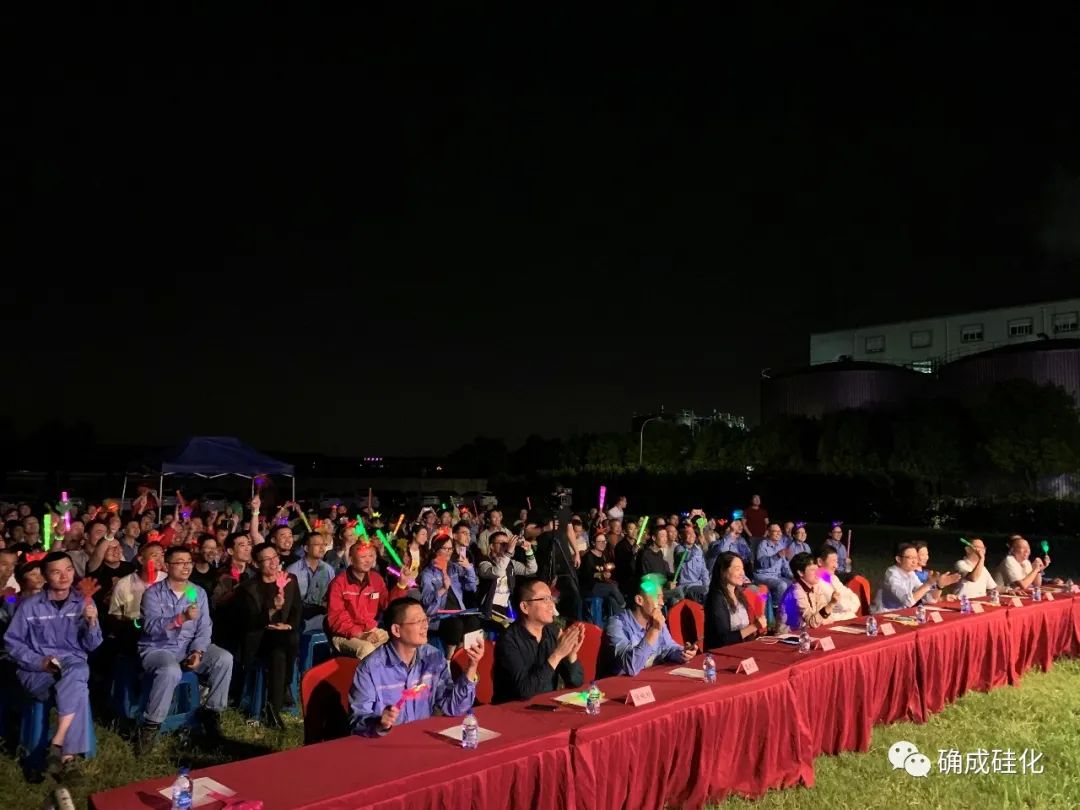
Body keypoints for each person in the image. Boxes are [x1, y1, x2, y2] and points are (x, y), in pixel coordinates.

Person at [3, 552, 101, 781]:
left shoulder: (83, 601)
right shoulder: (28, 606)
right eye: (56, 572)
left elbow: (92, 645)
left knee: (77, 673)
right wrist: (40, 662)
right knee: (78, 688)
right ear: (46, 577)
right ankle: (65, 756)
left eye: (68, 570)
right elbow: (12, 643)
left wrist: (92, 622)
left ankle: (59, 747)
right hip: (36, 669)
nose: (64, 576)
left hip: (72, 664)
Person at [136, 546, 233, 753]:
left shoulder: (195, 592)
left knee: (224, 658)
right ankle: (151, 725)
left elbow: (204, 627)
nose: (186, 566)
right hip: (158, 648)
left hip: (188, 647)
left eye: (189, 562)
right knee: (170, 670)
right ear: (167, 566)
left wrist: (198, 651)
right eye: (180, 562)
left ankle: (211, 712)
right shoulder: (153, 594)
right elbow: (150, 628)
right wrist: (181, 619)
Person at [349, 597, 481, 736]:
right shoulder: (371, 668)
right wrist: (379, 723)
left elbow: (454, 708)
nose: (425, 626)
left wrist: (472, 666)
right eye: (418, 621)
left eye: (426, 620)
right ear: (396, 630)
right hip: (387, 743)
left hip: (422, 739)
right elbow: (356, 721)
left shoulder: (433, 658)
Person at [237, 543, 302, 728]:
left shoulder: (290, 580)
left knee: (284, 645)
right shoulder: (249, 588)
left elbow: (297, 610)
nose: (273, 563)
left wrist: (288, 625)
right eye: (267, 559)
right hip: (259, 637)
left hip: (283, 637)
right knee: (285, 644)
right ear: (257, 564)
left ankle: (273, 709)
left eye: (275, 557)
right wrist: (273, 609)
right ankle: (283, 693)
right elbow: (250, 622)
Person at [492, 580, 585, 703]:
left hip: (547, 706)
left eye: (551, 598)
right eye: (545, 599)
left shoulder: (552, 632)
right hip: (513, 710)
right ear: (525, 607)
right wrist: (557, 655)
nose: (552, 605)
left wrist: (571, 655)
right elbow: (524, 691)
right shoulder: (508, 641)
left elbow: (576, 682)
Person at [604, 578, 696, 676]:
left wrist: (683, 653)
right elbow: (631, 667)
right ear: (639, 600)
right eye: (657, 597)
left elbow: (668, 648)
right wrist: (654, 630)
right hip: (625, 682)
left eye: (662, 598)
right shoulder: (617, 624)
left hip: (653, 678)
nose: (662, 603)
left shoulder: (656, 621)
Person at [420, 533, 480, 661]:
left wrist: (468, 568)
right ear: (435, 550)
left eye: (450, 548)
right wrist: (442, 589)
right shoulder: (428, 573)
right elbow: (426, 601)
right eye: (445, 548)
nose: (449, 552)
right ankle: (449, 659)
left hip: (459, 612)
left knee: (474, 621)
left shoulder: (454, 568)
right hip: (439, 616)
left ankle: (460, 657)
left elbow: (472, 587)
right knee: (456, 625)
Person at [327, 542, 390, 660]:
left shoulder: (376, 579)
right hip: (345, 635)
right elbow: (337, 618)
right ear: (351, 559)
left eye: (371, 556)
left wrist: (401, 586)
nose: (368, 560)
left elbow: (388, 604)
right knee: (367, 649)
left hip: (370, 630)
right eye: (363, 556)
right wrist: (360, 635)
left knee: (398, 641)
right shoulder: (339, 583)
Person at [107, 542, 166, 651]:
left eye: (162, 555)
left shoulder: (167, 580)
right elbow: (116, 614)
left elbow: (191, 593)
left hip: (163, 635)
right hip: (132, 635)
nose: (160, 559)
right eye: (154, 555)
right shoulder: (124, 584)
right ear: (141, 560)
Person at [872, 542, 961, 613]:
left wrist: (939, 586)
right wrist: (928, 584)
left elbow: (929, 599)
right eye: (911, 558)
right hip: (882, 615)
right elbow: (908, 601)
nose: (915, 562)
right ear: (898, 559)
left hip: (900, 614)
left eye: (916, 558)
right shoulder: (891, 574)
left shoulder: (910, 573)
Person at [704, 552, 768, 648]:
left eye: (742, 569)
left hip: (743, 647)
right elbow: (723, 640)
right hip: (723, 652)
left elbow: (761, 593)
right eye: (737, 569)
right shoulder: (716, 598)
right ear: (723, 571)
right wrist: (754, 627)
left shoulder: (739, 595)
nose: (742, 573)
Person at [477, 531, 537, 622]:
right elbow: (498, 572)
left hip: (505, 608)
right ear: (492, 546)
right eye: (502, 543)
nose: (505, 546)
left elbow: (531, 569)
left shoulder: (510, 564)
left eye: (507, 543)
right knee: (510, 626)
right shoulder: (484, 563)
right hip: (487, 608)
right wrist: (508, 553)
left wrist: (529, 551)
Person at [778, 553, 840, 632]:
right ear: (801, 573)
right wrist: (831, 604)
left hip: (807, 633)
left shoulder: (815, 586)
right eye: (813, 570)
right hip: (789, 635)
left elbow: (828, 618)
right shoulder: (796, 592)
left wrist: (821, 616)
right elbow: (812, 623)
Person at [286, 531, 334, 632]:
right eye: (317, 544)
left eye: (324, 544)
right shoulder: (292, 570)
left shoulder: (328, 569)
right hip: (299, 613)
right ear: (306, 548)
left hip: (322, 611)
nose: (322, 548)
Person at [578, 533, 625, 615]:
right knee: (612, 588)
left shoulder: (604, 556)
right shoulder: (588, 557)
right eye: (600, 541)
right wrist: (601, 575)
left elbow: (606, 570)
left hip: (601, 585)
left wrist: (607, 574)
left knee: (613, 598)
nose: (603, 544)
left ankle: (619, 617)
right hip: (590, 587)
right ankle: (623, 605)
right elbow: (587, 575)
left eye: (604, 541)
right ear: (593, 543)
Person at [753, 524, 793, 612]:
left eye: (780, 531)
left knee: (793, 584)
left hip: (776, 576)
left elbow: (785, 567)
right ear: (768, 533)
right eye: (776, 531)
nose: (779, 533)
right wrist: (777, 556)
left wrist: (793, 576)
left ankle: (787, 609)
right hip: (763, 576)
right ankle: (775, 609)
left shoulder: (780, 546)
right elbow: (762, 564)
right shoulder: (763, 545)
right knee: (781, 585)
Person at [816, 547, 861, 620]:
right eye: (833, 561)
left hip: (848, 618)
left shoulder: (832, 577)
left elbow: (855, 598)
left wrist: (847, 606)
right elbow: (838, 604)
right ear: (820, 562)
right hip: (835, 622)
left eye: (836, 561)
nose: (836, 566)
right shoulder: (816, 581)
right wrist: (848, 606)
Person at [673, 523, 710, 603]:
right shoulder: (679, 548)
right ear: (681, 536)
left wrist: (708, 585)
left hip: (699, 585)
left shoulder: (698, 550)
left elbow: (704, 570)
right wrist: (697, 546)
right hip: (686, 587)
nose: (692, 535)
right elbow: (686, 557)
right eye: (688, 533)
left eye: (693, 533)